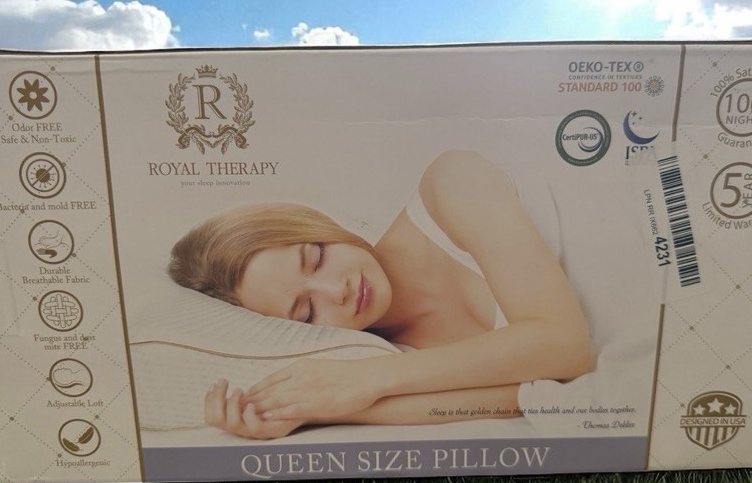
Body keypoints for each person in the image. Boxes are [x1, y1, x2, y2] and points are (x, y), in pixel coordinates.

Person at [168, 150, 595, 439]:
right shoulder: (392, 354)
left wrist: (366, 379)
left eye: (316, 257)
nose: (338, 290)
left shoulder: (450, 184)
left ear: (316, 224)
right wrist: (318, 409)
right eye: (307, 312)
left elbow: (565, 345)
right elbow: (521, 399)